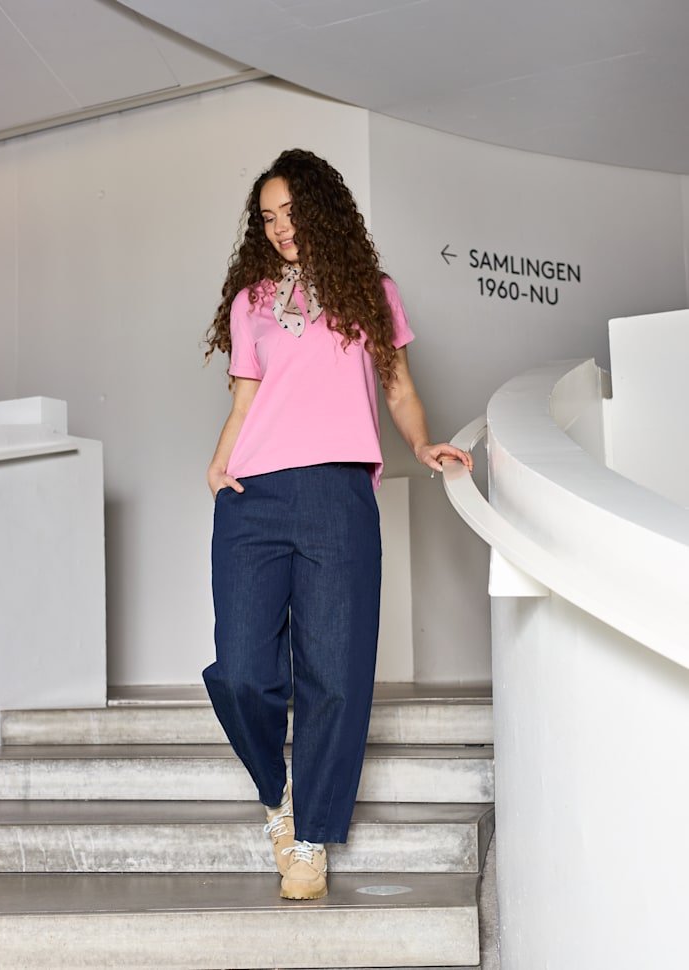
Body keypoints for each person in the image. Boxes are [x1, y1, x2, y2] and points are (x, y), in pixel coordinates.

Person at [201, 148, 473, 901]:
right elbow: (245, 400)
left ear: (322, 210)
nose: (280, 228)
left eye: (292, 212)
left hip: (339, 493)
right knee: (241, 669)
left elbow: (399, 389)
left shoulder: (371, 293)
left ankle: (310, 838)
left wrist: (421, 444)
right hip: (253, 495)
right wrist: (219, 465)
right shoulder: (252, 301)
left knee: (335, 672)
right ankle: (277, 794)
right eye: (268, 217)